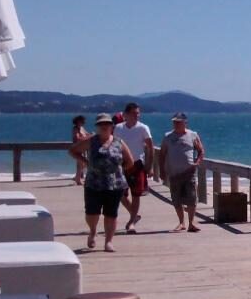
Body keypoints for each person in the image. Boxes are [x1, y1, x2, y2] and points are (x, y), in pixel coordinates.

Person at [69, 113, 133, 252]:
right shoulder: (91, 141)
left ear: (112, 126)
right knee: (91, 213)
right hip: (94, 183)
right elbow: (73, 151)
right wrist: (86, 162)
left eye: (107, 124)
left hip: (114, 184)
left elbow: (129, 161)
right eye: (101, 124)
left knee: (111, 214)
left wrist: (118, 170)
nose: (104, 126)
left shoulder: (119, 142)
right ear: (97, 127)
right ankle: (93, 231)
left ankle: (108, 241)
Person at [157, 112, 205, 233]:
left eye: (178, 122)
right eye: (174, 122)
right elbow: (162, 154)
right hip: (174, 173)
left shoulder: (192, 135)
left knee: (192, 198)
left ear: (185, 122)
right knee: (176, 199)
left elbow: (201, 151)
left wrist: (197, 162)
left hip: (189, 172)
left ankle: (191, 223)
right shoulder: (168, 137)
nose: (176, 124)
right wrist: (162, 170)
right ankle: (181, 222)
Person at [114, 102, 154, 233]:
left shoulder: (143, 128)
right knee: (119, 193)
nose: (137, 115)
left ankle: (132, 222)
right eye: (134, 113)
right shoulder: (118, 128)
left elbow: (150, 147)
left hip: (137, 164)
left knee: (136, 194)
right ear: (126, 114)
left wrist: (149, 166)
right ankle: (134, 214)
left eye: (138, 113)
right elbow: (113, 145)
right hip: (121, 164)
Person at [71, 115, 90, 185]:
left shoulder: (82, 128)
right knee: (80, 164)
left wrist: (91, 135)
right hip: (78, 148)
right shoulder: (75, 129)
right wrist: (85, 138)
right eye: (82, 121)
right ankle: (78, 180)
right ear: (78, 121)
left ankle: (77, 177)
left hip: (83, 148)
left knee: (83, 164)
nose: (84, 122)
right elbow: (77, 138)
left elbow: (87, 134)